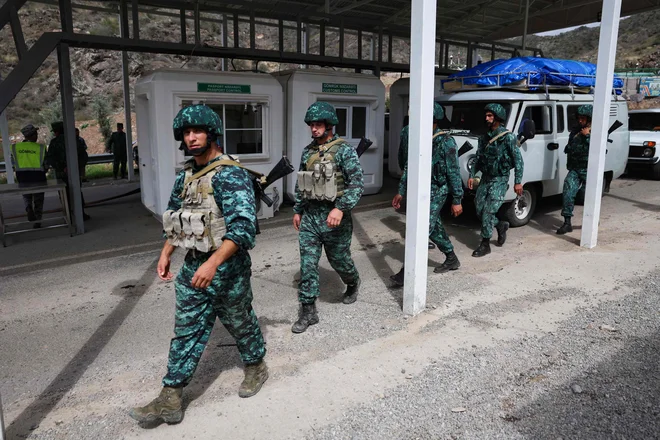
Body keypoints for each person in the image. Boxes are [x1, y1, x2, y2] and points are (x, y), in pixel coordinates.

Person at [129, 105, 267, 425]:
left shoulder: (230, 174)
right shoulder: (186, 176)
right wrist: (165, 253)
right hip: (194, 265)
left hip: (227, 268)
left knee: (239, 320)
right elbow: (177, 222)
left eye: (197, 131)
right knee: (186, 330)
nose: (191, 138)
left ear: (211, 133)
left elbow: (243, 229)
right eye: (186, 133)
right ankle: (170, 397)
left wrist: (214, 264)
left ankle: (256, 365)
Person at [291, 101, 364, 334]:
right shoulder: (308, 152)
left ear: (329, 125)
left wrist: (340, 208)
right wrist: (298, 209)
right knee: (308, 263)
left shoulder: (344, 151)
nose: (314, 129)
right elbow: (302, 182)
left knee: (339, 260)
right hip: (311, 217)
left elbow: (356, 184)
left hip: (335, 218)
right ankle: (308, 310)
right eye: (312, 125)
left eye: (318, 124)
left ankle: (352, 282)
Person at [390, 103, 464, 286]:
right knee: (434, 227)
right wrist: (401, 191)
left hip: (438, 190)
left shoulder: (446, 142)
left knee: (422, 229)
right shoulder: (418, 138)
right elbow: (409, 165)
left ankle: (406, 273)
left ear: (433, 121)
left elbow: (454, 173)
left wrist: (457, 200)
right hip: (420, 189)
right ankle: (451, 257)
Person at [467, 104, 523, 257]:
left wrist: (518, 182)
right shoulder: (484, 138)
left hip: (500, 179)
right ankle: (500, 225)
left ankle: (485, 244)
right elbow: (478, 158)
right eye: (486, 116)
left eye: (490, 116)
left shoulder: (508, 137)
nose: (487, 118)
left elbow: (518, 161)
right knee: (479, 209)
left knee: (488, 211)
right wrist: (472, 174)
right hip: (486, 178)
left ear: (498, 118)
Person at [397, 111, 437, 251]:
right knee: (419, 208)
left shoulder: (409, 129)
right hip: (417, 171)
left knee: (424, 209)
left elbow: (401, 154)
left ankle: (421, 237)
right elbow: (402, 151)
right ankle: (420, 238)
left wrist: (405, 170)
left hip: (419, 173)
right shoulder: (409, 130)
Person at [45, 121, 91, 221]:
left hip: (61, 174)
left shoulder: (54, 142)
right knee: (77, 192)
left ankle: (68, 216)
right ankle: (81, 213)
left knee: (64, 194)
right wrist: (75, 166)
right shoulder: (75, 140)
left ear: (57, 131)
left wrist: (61, 167)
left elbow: (50, 159)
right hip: (74, 172)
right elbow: (84, 157)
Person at [557, 105, 592, 235]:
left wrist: (587, 136)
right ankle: (567, 223)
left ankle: (592, 220)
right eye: (579, 118)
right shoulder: (575, 131)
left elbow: (599, 150)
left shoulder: (595, 131)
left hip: (589, 169)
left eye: (583, 118)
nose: (580, 121)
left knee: (587, 197)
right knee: (567, 192)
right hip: (575, 169)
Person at [11, 124, 47, 228]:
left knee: (26, 196)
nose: (37, 136)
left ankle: (28, 208)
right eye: (35, 134)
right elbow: (46, 164)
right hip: (38, 177)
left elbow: (13, 163)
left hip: (22, 177)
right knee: (38, 200)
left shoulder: (15, 148)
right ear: (32, 135)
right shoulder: (40, 147)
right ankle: (37, 221)